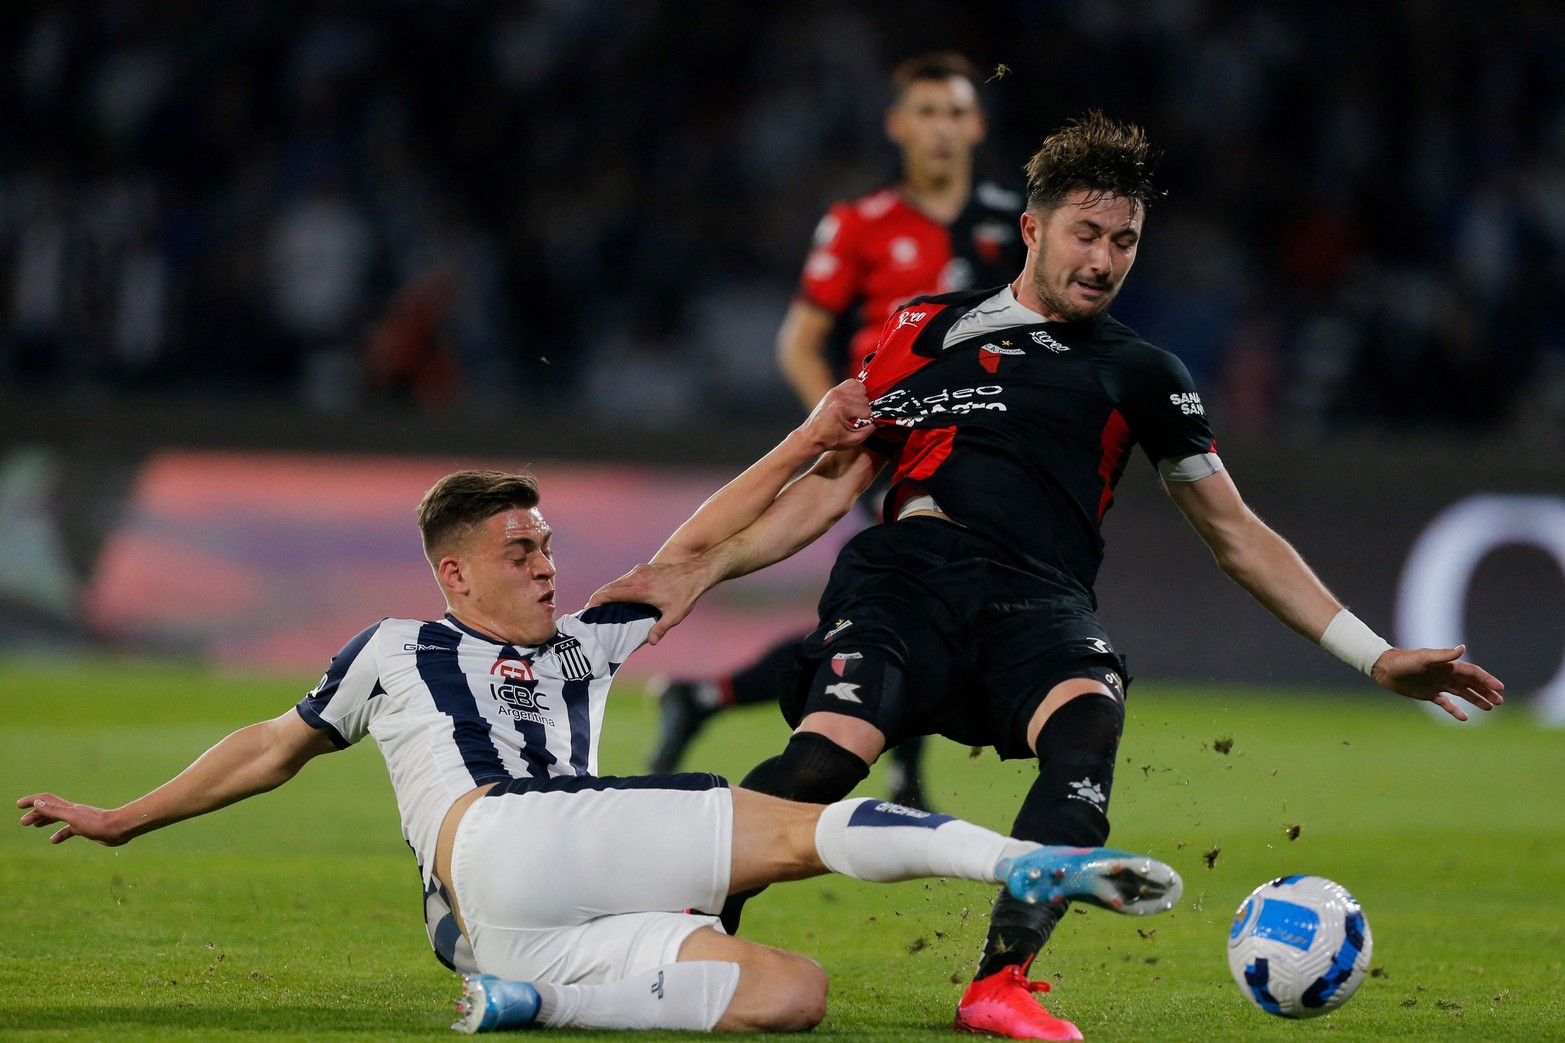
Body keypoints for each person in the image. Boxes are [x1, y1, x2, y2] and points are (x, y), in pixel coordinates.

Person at [589, 112, 1507, 1041]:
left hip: (1037, 596)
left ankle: (1000, 980)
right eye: (1086, 233)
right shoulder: (924, 328)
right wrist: (692, 571)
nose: (1104, 259)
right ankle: (681, 936)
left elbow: (1238, 535)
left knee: (1086, 719)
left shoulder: (1143, 373)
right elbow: (827, 490)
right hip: (905, 576)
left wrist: (1376, 655)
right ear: (1031, 229)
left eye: (1124, 241)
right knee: (826, 757)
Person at [14, 383, 1184, 1036]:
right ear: (453, 572)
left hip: (512, 929)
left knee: (789, 993)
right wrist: (127, 816)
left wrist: (807, 442)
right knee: (794, 821)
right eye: (518, 548)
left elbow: (694, 550)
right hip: (500, 835)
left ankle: (538, 1005)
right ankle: (1023, 865)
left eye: (548, 541)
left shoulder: (585, 644)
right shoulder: (395, 647)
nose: (544, 563)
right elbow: (270, 747)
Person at [649, 52, 1027, 812]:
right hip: (889, 447)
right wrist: (835, 425)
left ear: (976, 124)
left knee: (908, 607)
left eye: (955, 112)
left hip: (978, 442)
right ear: (896, 125)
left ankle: (706, 695)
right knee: (911, 599)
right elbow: (800, 338)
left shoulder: (1015, 221)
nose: (941, 128)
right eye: (925, 112)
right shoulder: (859, 223)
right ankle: (896, 770)